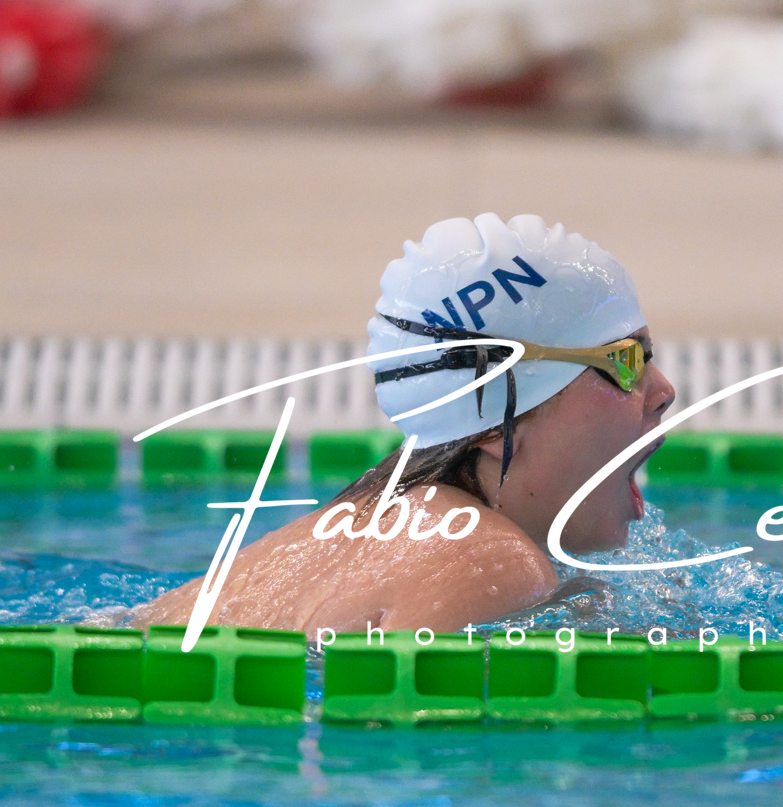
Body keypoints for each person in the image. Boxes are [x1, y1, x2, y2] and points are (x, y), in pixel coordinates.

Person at [133, 213, 675, 634]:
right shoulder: (486, 560)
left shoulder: (361, 529)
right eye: (624, 361)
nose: (664, 391)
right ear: (492, 421)